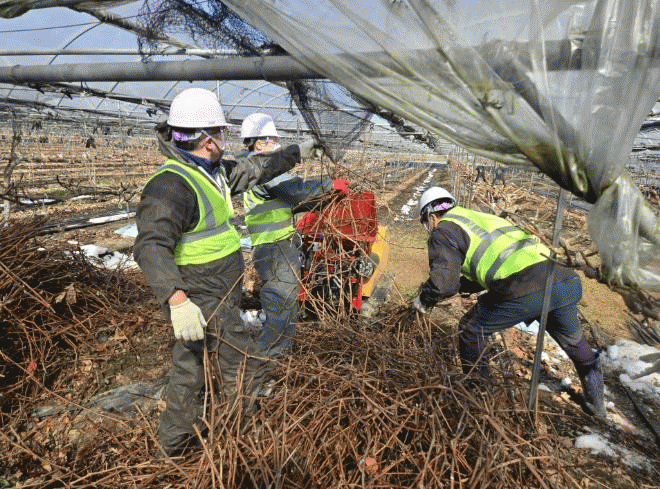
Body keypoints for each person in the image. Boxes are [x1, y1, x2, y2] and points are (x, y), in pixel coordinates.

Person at [133, 88, 320, 456]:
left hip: (217, 289)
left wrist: (296, 152)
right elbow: (150, 246)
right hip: (200, 294)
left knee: (192, 367)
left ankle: (177, 446)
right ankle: (241, 437)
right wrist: (177, 300)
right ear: (207, 140)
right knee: (239, 364)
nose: (223, 139)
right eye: (219, 132)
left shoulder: (212, 171)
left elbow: (257, 168)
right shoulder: (170, 185)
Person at [412, 186, 606, 418]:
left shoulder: (443, 230)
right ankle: (597, 405)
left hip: (525, 287)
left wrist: (423, 300)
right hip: (563, 280)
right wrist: (460, 286)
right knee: (575, 343)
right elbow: (497, 262)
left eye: (426, 222)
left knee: (471, 329)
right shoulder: (479, 217)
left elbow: (443, 284)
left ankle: (479, 400)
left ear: (432, 216)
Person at [240, 113, 349, 367]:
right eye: (267, 140)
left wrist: (319, 200)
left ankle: (280, 353)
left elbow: (288, 202)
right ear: (254, 143)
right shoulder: (263, 169)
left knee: (286, 302)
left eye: (274, 139)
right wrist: (330, 185)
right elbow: (295, 191)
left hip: (274, 245)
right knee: (280, 303)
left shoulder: (253, 167)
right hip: (274, 247)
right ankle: (263, 359)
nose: (273, 144)